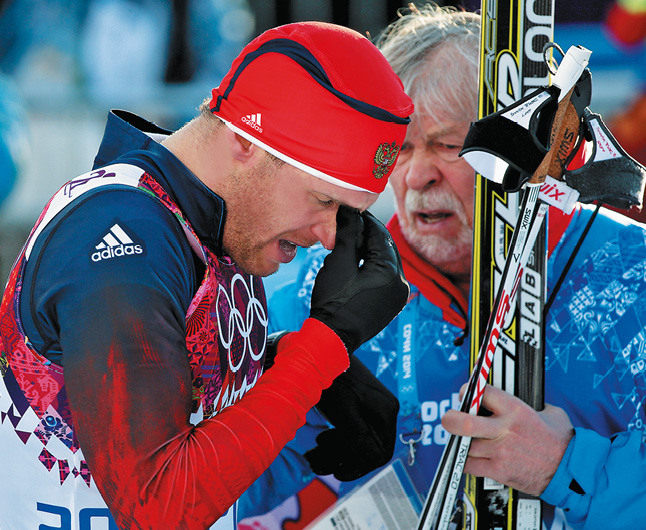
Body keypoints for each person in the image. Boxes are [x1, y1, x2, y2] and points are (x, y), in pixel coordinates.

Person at [238, 5, 646, 530]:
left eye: (450, 146)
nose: (415, 176)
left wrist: (566, 466)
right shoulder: (305, 292)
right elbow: (202, 492)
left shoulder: (631, 277)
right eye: (398, 151)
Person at [0, 21, 414, 530]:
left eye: (348, 214)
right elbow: (160, 509)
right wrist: (320, 351)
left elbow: (218, 483)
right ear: (246, 143)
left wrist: (301, 386)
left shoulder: (218, 230)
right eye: (325, 200)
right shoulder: (124, 235)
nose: (330, 237)